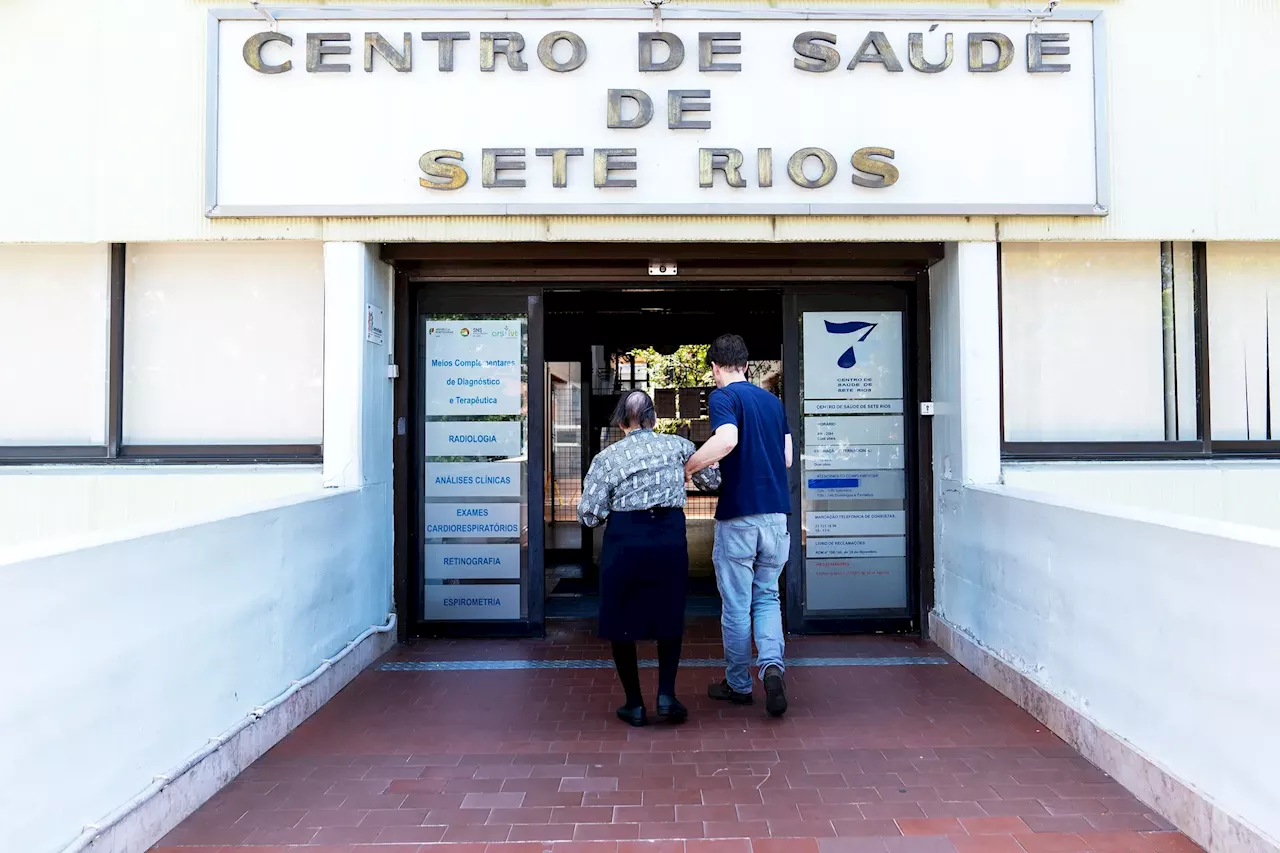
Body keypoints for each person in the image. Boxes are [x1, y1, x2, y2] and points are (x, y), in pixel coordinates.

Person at [578, 390, 720, 727]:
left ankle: (635, 704)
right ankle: (667, 696)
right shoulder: (679, 447)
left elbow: (589, 515)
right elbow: (713, 481)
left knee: (620, 617)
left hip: (626, 540)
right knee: (670, 613)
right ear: (653, 418)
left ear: (619, 421)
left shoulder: (607, 458)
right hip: (669, 537)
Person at [685, 334, 794, 717]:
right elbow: (787, 459)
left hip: (740, 516)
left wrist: (691, 466)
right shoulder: (772, 401)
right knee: (767, 597)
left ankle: (738, 683)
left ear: (715, 367)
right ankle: (773, 669)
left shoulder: (723, 397)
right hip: (776, 516)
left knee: (736, 604)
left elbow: (727, 439)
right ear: (746, 365)